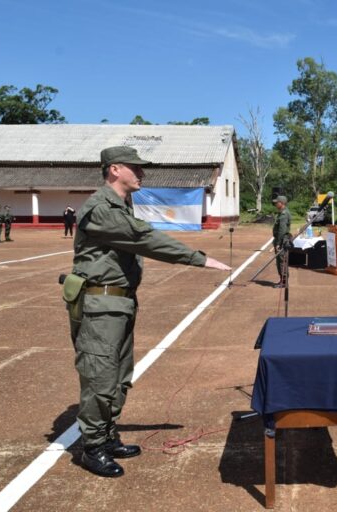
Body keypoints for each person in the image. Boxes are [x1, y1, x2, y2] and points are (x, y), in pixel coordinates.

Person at [67, 146, 230, 478]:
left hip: (119, 304)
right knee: (100, 376)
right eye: (135, 168)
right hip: (101, 307)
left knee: (118, 375)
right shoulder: (101, 208)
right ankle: (92, 447)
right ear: (114, 170)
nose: (141, 173)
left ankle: (108, 436)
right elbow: (143, 238)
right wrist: (198, 259)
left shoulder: (121, 205)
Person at [272, 195, 291, 288]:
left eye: (277, 202)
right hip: (281, 240)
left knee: (281, 261)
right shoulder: (281, 213)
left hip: (282, 241)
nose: (276, 204)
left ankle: (283, 282)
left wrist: (278, 243)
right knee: (280, 261)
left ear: (282, 203)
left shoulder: (284, 214)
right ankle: (282, 280)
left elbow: (282, 230)